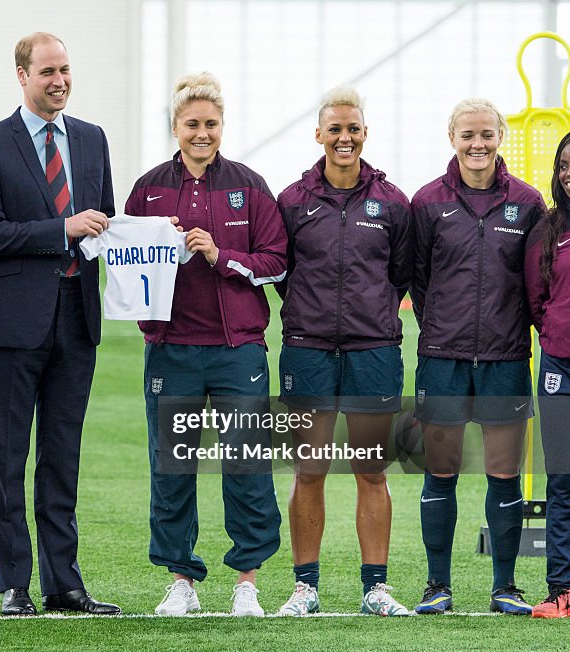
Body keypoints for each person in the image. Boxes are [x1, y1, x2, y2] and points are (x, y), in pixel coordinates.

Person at [0, 32, 120, 616]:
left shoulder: (91, 139)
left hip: (77, 318)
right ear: (22, 76)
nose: (60, 80)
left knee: (62, 454)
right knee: (7, 457)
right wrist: (62, 230)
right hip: (14, 323)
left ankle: (65, 584)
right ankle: (14, 586)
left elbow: (102, 222)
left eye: (66, 69)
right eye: (48, 71)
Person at [124, 72, 285, 617]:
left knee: (246, 464)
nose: (201, 133)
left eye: (210, 124)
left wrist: (221, 256)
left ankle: (247, 582)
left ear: (222, 126)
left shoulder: (250, 185)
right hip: (172, 350)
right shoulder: (147, 190)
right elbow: (124, 267)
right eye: (191, 124)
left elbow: (276, 261)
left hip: (238, 350)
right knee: (172, 467)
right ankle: (181, 581)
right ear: (175, 126)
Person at [274, 87, 411, 616]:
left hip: (374, 350)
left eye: (352, 128)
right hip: (307, 350)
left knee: (371, 471)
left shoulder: (393, 202)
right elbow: (283, 274)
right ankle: (305, 587)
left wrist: (368, 314)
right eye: (334, 129)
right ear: (318, 134)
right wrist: (313, 315)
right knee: (308, 470)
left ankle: (375, 587)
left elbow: (401, 274)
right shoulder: (291, 201)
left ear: (365, 133)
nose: (344, 138)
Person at [410, 98, 545, 615]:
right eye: (468, 135)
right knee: (439, 472)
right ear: (452, 138)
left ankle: (504, 588)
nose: (478, 144)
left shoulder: (529, 204)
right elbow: (417, 281)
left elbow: (535, 282)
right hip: (442, 358)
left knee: (503, 474)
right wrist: (442, 327)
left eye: (487, 134)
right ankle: (436, 586)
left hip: (506, 359)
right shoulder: (427, 203)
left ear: (501, 137)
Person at [524, 131, 570, 618]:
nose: (568, 173)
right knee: (562, 480)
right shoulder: (549, 228)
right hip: (560, 367)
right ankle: (562, 590)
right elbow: (537, 299)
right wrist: (556, 332)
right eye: (563, 165)